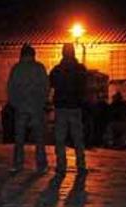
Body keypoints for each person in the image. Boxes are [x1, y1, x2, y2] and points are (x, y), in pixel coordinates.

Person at [7, 43, 49, 171]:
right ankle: (41, 164)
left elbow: (11, 88)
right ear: (33, 54)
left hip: (21, 107)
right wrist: (43, 103)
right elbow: (45, 87)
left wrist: (15, 104)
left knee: (19, 138)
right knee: (39, 138)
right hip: (36, 107)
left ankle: (17, 164)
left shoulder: (16, 69)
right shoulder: (40, 68)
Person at [49, 43, 87, 174]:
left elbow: (51, 85)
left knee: (60, 138)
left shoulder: (57, 69)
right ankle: (81, 164)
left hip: (61, 107)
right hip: (75, 106)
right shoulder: (80, 69)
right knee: (78, 138)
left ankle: (61, 165)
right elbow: (84, 87)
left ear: (63, 53)